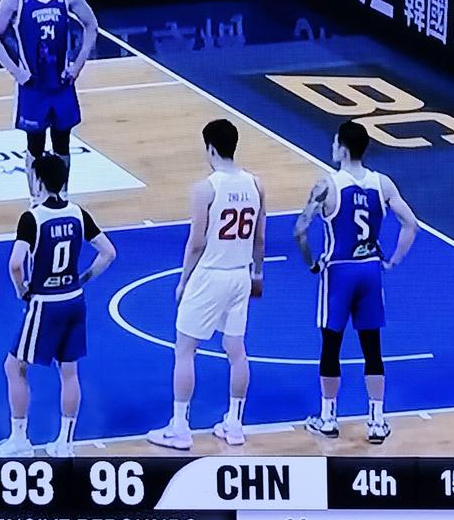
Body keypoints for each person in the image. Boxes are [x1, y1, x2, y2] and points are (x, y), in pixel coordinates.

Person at [0, 154, 117, 458]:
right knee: (69, 371)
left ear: (38, 181)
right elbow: (108, 252)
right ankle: (65, 443)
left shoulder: (33, 218)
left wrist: (21, 290)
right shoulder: (78, 213)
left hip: (45, 302)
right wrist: (83, 278)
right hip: (74, 299)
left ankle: (20, 440)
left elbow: (15, 264)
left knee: (14, 366)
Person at [294, 120, 417, 443]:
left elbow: (300, 231)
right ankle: (376, 421)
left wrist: (312, 264)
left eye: (335, 143)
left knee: (331, 345)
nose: (332, 147)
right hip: (370, 271)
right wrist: (393, 260)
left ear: (344, 150)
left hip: (339, 271)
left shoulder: (327, 185)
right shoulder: (383, 183)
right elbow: (411, 224)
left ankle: (328, 418)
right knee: (372, 347)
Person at [147, 119, 264, 450]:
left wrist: (184, 280)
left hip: (210, 273)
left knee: (185, 349)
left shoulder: (205, 189)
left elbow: (196, 242)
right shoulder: (256, 184)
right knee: (237, 350)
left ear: (210, 148)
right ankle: (235, 425)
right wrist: (257, 274)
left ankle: (180, 427)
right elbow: (260, 237)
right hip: (240, 274)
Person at [0, 0, 100, 191]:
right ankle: (36, 197)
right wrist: (16, 72)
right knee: (35, 146)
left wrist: (78, 65)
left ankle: (61, 195)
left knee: (62, 144)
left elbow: (92, 25)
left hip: (61, 83)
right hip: (33, 86)